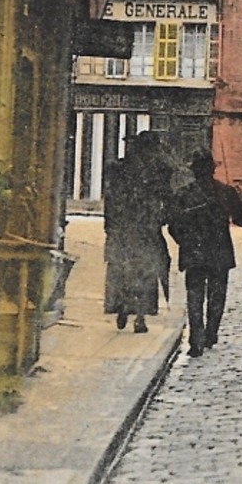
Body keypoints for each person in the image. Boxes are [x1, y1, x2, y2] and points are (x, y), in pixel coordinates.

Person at [168, 149, 242, 357]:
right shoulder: (225, 192)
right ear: (212, 170)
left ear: (194, 171)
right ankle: (211, 333)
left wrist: (186, 243)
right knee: (217, 296)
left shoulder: (183, 194)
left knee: (194, 296)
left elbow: (173, 226)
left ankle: (197, 338)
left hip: (194, 253)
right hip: (219, 253)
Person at [103, 131, 173, 333]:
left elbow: (111, 199)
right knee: (147, 272)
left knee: (125, 270)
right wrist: (163, 218)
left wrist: (109, 226)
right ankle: (139, 315)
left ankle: (124, 306)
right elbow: (167, 199)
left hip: (124, 230)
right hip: (146, 229)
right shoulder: (158, 170)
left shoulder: (119, 168)